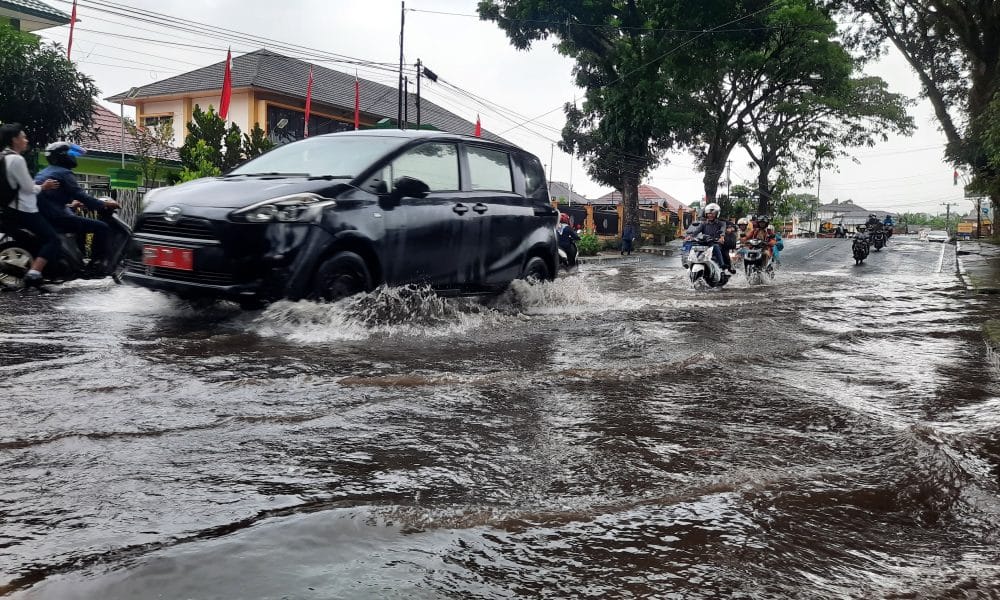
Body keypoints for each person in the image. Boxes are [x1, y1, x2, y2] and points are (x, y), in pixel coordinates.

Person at [35, 142, 119, 276]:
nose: (74, 158)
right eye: (71, 154)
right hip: (58, 217)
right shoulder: (64, 173)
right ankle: (97, 263)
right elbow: (80, 195)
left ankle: (79, 260)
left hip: (47, 215)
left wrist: (71, 205)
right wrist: (104, 205)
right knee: (102, 227)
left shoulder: (44, 172)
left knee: (81, 226)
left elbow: (52, 197)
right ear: (62, 157)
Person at [0, 123, 62, 289]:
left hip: (9, 209)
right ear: (14, 140)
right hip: (25, 209)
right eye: (23, 137)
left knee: (37, 240)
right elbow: (28, 188)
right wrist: (44, 186)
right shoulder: (17, 159)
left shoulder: (2, 157)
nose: (26, 140)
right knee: (53, 239)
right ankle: (34, 274)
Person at [685, 202, 734, 273]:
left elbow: (722, 230)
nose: (710, 215)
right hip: (705, 242)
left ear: (717, 214)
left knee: (716, 247)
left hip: (715, 242)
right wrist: (690, 236)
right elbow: (696, 231)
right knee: (692, 245)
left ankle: (722, 265)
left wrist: (722, 237)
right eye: (709, 213)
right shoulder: (703, 223)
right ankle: (690, 262)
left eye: (712, 213)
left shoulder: (721, 223)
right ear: (706, 214)